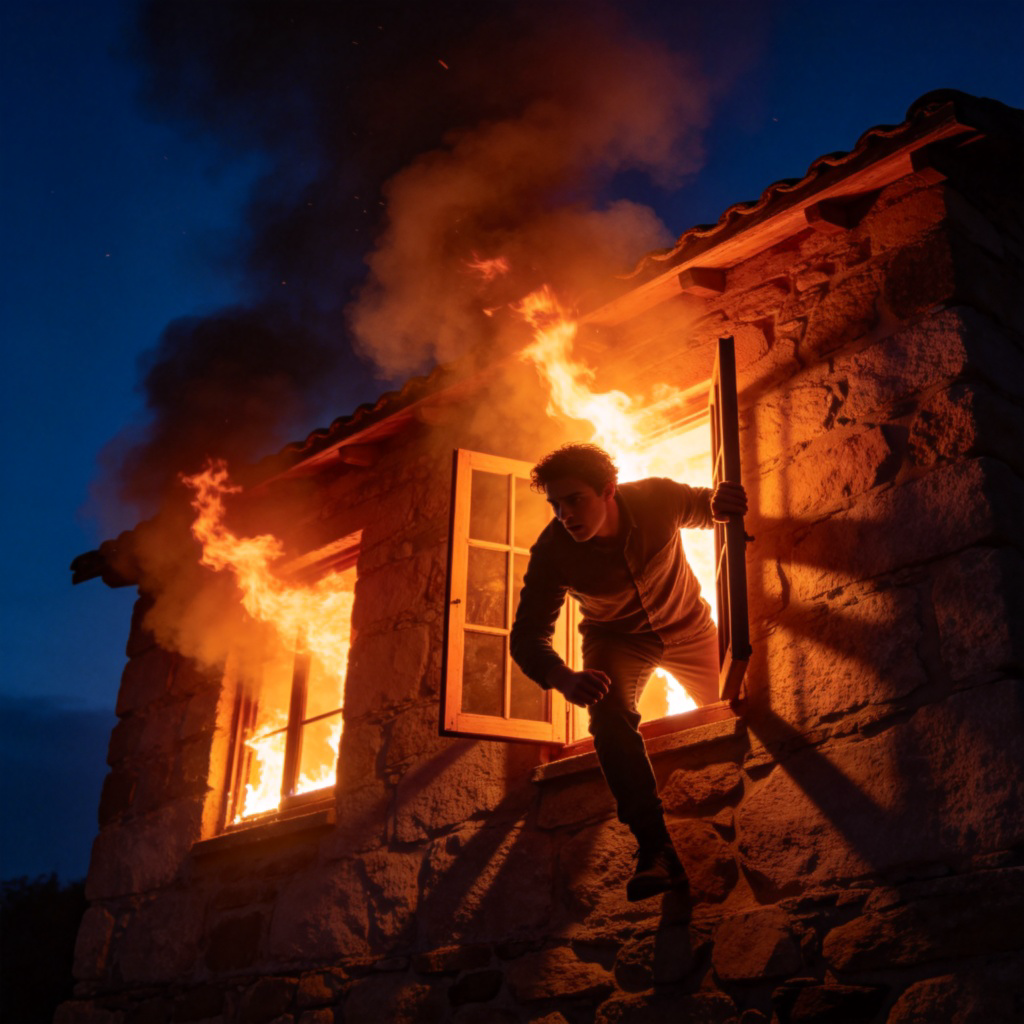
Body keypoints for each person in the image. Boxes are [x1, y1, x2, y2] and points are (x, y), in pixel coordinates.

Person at [510, 442, 748, 901]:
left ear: (609, 490)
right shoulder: (553, 551)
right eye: (555, 505)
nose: (564, 514)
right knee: (607, 717)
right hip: (617, 641)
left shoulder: (657, 497)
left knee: (744, 700)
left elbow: (703, 506)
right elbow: (526, 637)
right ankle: (654, 849)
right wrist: (563, 677)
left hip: (691, 629)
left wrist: (722, 505)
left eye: (575, 500)